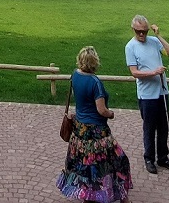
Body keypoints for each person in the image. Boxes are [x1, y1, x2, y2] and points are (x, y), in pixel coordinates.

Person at [56, 46, 132, 202]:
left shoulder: (75, 75)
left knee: (85, 165)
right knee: (118, 161)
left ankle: (87, 195)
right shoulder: (95, 82)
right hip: (97, 133)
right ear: (94, 62)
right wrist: (111, 114)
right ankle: (120, 197)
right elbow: (101, 110)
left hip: (79, 131)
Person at [125, 14, 169, 175]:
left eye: (144, 31)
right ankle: (149, 158)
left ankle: (163, 157)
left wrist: (158, 36)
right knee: (149, 128)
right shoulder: (130, 47)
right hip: (146, 95)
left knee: (164, 127)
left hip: (162, 92)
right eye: (138, 31)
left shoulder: (154, 41)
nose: (141, 35)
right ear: (133, 30)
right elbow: (134, 73)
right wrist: (154, 72)